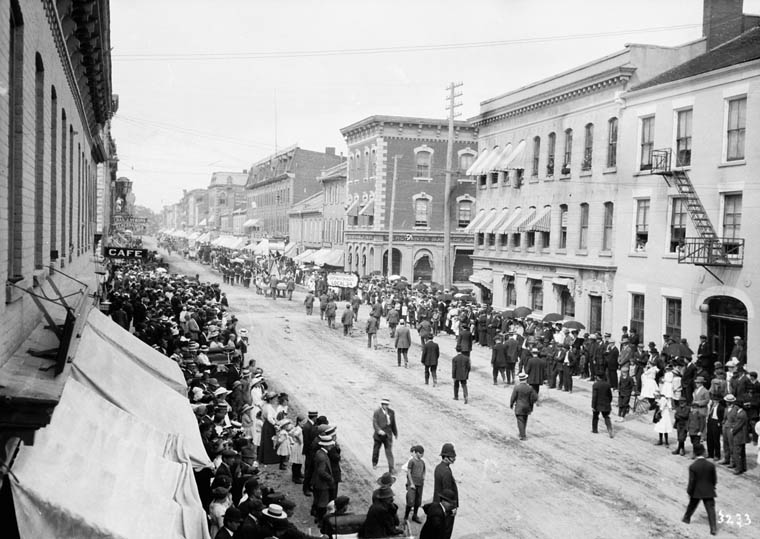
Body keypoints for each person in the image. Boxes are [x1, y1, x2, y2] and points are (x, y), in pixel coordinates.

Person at [681, 444, 717, 536]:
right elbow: (714, 479)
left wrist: (689, 492)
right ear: (704, 452)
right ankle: (713, 528)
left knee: (692, 506)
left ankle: (686, 518)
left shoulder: (693, 466)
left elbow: (691, 481)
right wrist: (712, 486)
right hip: (709, 490)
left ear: (694, 453)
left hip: (696, 491)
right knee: (710, 509)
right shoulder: (711, 465)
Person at [432, 443, 458, 538]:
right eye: (452, 456)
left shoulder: (439, 467)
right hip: (446, 507)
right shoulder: (446, 472)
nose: (454, 458)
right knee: (446, 531)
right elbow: (447, 492)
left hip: (437, 504)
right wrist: (452, 508)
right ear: (446, 457)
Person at [372, 398, 397, 473]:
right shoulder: (377, 412)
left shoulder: (392, 412)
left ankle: (391, 468)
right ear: (382, 405)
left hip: (388, 435)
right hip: (379, 435)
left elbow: (393, 423)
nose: (386, 406)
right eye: (384, 404)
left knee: (389, 451)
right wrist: (379, 430)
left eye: (387, 405)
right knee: (376, 450)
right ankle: (374, 462)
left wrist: (395, 432)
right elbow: (374, 422)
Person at [510, 372, 538, 440]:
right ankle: (522, 432)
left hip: (519, 407)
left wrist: (511, 404)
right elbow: (535, 397)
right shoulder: (530, 388)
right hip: (527, 407)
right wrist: (531, 402)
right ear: (525, 379)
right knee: (525, 420)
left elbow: (513, 397)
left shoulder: (517, 387)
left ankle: (523, 435)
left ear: (520, 379)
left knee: (520, 420)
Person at [403, 445, 426, 524]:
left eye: (422, 453)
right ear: (416, 453)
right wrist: (411, 483)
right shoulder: (412, 461)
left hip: (420, 485)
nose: (422, 455)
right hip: (412, 485)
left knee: (418, 501)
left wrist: (423, 479)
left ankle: (415, 516)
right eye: (420, 453)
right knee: (410, 501)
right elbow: (409, 472)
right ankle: (406, 517)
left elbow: (423, 471)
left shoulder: (422, 462)